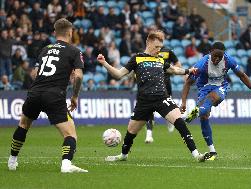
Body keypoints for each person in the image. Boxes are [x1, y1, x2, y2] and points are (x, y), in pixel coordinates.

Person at [97, 30, 209, 162]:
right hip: (144, 102)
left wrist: (188, 71)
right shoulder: (137, 58)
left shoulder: (160, 60)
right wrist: (104, 63)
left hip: (162, 98)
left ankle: (197, 155)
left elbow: (174, 69)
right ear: (148, 43)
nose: (158, 50)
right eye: (156, 47)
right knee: (130, 134)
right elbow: (118, 74)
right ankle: (123, 155)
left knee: (180, 122)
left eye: (160, 48)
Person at [7, 18, 88, 173]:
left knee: (23, 124)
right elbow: (78, 76)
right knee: (70, 133)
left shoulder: (44, 49)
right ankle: (66, 165)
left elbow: (34, 73)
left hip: (35, 92)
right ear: (70, 33)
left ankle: (12, 161)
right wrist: (75, 96)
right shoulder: (74, 51)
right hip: (54, 95)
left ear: (54, 33)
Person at [180, 42, 251, 161]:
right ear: (210, 53)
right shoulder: (202, 64)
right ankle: (212, 152)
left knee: (211, 99)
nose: (217, 59)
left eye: (220, 56)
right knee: (204, 116)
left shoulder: (228, 60)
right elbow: (188, 82)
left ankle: (192, 114)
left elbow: (242, 76)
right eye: (215, 56)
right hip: (204, 89)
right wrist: (183, 103)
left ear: (224, 54)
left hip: (221, 87)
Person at [145, 46, 182, 143]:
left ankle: (169, 121)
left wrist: (173, 70)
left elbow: (177, 63)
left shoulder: (168, 51)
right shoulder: (148, 52)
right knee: (149, 109)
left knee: (167, 105)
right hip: (151, 83)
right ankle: (149, 134)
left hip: (165, 83)